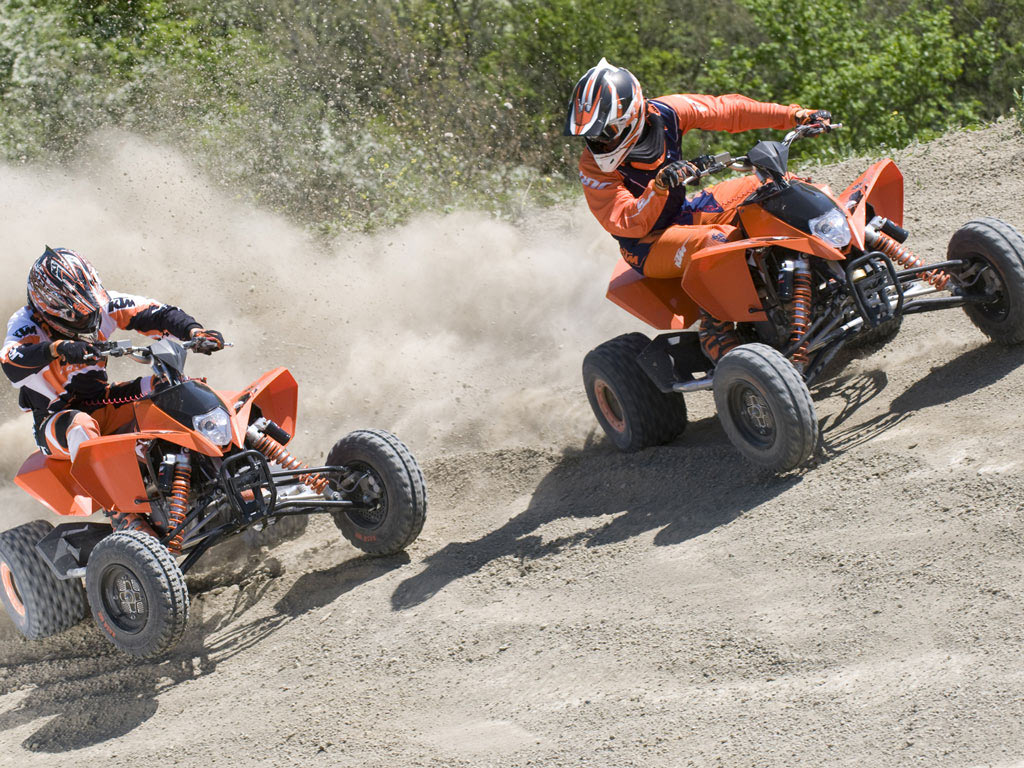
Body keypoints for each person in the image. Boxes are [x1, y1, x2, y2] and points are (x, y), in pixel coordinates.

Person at [564, 58, 832, 361]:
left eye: (604, 131)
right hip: (647, 244)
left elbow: (730, 111)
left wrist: (794, 115)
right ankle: (716, 330)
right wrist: (660, 187)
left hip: (684, 212)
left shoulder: (668, 111)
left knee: (778, 187)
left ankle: (822, 274)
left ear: (633, 113)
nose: (597, 142)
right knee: (716, 243)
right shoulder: (593, 167)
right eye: (592, 134)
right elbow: (628, 222)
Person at [0, 246, 224, 531]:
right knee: (80, 426)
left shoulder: (100, 302)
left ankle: (217, 473)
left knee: (172, 387)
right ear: (50, 311)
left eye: (91, 311)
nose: (90, 321)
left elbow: (156, 313)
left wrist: (194, 331)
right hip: (56, 419)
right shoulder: (25, 323)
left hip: (102, 401)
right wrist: (57, 348)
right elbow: (11, 360)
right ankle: (121, 515)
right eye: (79, 318)